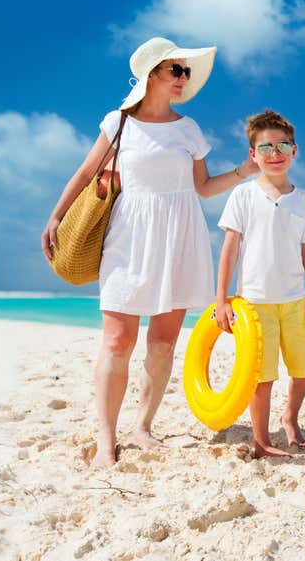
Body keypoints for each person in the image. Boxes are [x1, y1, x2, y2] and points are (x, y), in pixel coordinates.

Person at [41, 37, 257, 468]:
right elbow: (86, 172)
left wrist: (242, 172)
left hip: (180, 236)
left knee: (162, 342)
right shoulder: (118, 123)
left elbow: (202, 188)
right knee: (118, 341)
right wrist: (55, 216)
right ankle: (106, 439)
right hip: (129, 237)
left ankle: (142, 427)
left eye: (185, 72)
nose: (183, 78)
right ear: (153, 74)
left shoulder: (188, 130)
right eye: (176, 70)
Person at [212, 109, 305, 458]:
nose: (274, 154)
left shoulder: (303, 200)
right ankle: (261, 441)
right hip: (255, 303)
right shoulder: (243, 196)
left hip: (294, 300)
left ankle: (290, 419)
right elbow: (230, 250)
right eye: (265, 148)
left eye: (282, 146)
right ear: (253, 155)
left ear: (294, 151)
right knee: (262, 376)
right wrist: (222, 300)